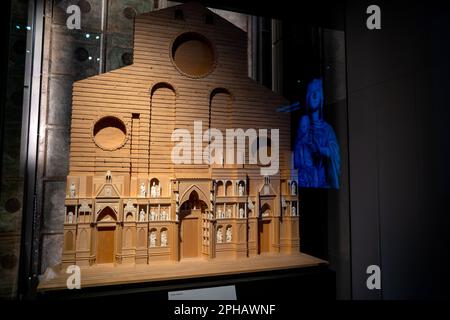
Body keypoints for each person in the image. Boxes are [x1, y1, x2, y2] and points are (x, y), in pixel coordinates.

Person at [294, 79, 340, 188]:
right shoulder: (303, 127)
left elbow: (334, 154)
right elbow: (296, 157)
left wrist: (321, 150)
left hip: (322, 181)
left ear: (321, 98)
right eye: (311, 92)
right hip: (305, 181)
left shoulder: (327, 129)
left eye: (317, 92)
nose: (314, 95)